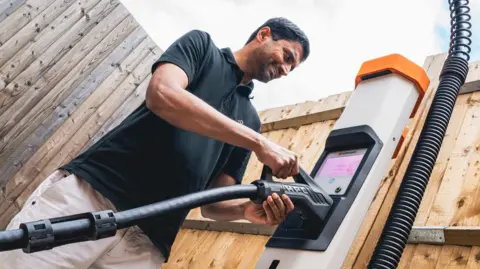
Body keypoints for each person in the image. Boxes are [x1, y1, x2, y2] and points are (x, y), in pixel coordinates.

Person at [0, 17, 310, 268]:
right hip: (93, 200)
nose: (285, 70)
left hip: (146, 245)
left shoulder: (250, 119)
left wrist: (245, 209)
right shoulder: (202, 47)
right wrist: (258, 142)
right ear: (264, 34)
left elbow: (214, 204)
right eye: (287, 57)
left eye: (292, 69)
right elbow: (162, 95)